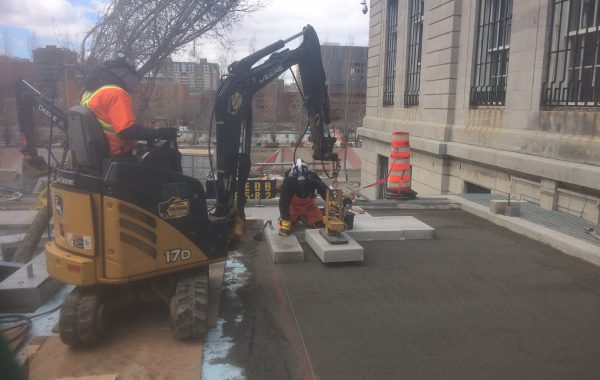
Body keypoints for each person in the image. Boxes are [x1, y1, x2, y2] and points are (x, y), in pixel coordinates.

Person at [81, 52, 181, 171]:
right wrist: (160, 133)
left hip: (99, 156)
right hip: (117, 156)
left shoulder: (90, 93)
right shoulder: (115, 92)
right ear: (125, 74)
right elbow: (126, 130)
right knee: (170, 157)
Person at [278, 159, 330, 236]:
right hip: (293, 208)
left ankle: (303, 217)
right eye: (299, 181)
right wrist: (285, 220)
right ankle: (295, 218)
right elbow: (283, 203)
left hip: (310, 207)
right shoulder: (288, 181)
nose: (301, 182)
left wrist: (330, 200)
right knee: (285, 227)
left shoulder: (312, 177)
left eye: (302, 180)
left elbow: (323, 188)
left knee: (321, 224)